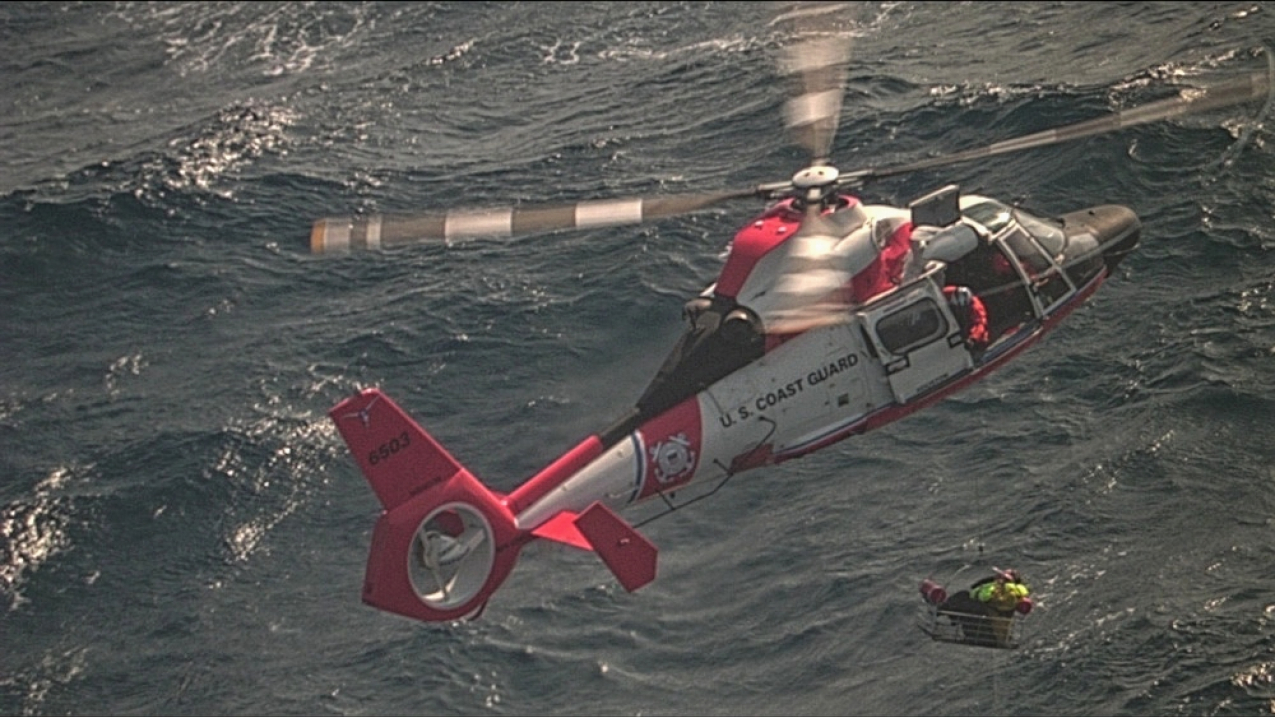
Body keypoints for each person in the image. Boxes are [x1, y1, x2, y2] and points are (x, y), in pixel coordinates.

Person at [933, 568, 1031, 648]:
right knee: (966, 599)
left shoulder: (1006, 592)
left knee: (966, 599)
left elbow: (982, 595)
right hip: (990, 635)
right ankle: (946, 611)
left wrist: (992, 583)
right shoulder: (1013, 592)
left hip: (989, 633)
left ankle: (943, 610)